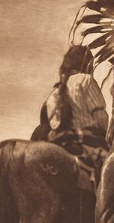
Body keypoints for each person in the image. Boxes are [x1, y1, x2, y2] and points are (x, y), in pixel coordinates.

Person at [41, 45, 109, 186]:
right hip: (89, 142)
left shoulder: (54, 93)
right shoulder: (86, 80)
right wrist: (110, 135)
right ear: (87, 64)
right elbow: (100, 116)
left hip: (59, 143)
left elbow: (54, 124)